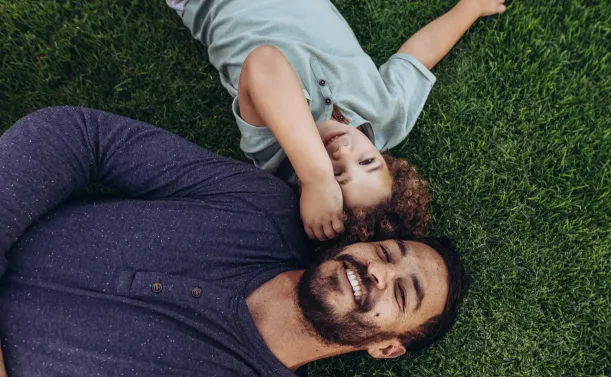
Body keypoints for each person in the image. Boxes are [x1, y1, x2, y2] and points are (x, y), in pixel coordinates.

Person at [0, 107, 469, 377]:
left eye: (403, 294)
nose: (378, 273)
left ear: (386, 347)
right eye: (387, 252)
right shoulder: (259, 206)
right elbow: (84, 136)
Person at [168, 0, 506, 242]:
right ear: (385, 158)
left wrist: (316, 177)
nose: (343, 152)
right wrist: (470, 8)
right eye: (368, 161)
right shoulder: (386, 115)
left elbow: (264, 64)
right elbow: (420, 54)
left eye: (337, 176)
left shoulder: (274, 152)